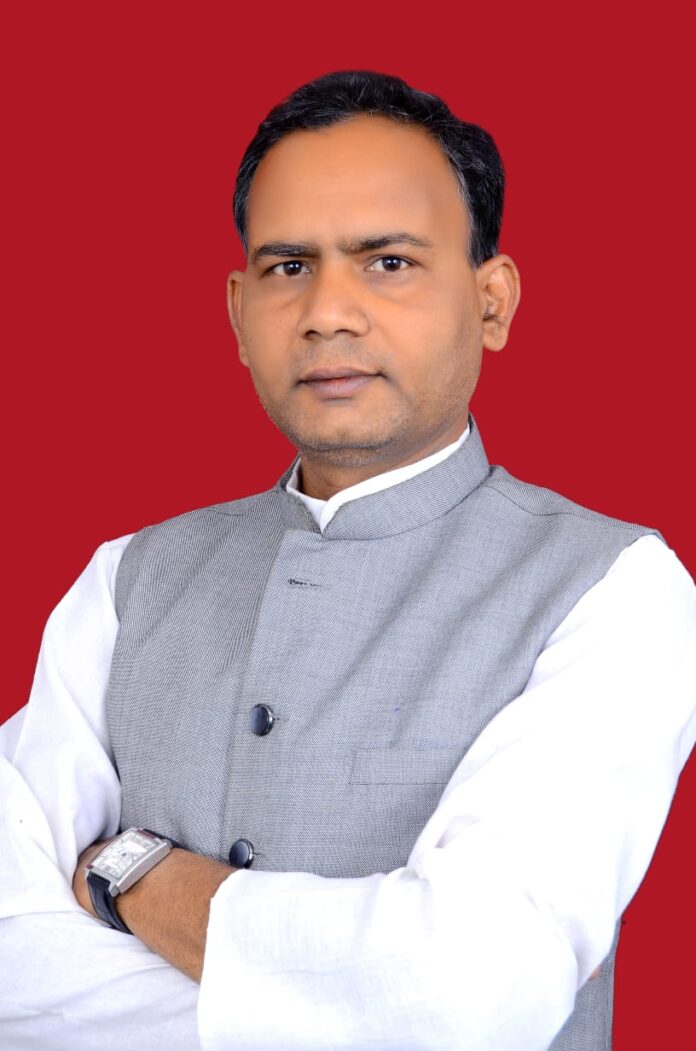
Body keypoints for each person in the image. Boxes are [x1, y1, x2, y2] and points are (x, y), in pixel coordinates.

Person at [0, 69, 694, 1051]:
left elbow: (466, 993)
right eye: (288, 266)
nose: (328, 310)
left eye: (389, 262)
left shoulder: (618, 589)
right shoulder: (128, 579)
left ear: (491, 302)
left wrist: (132, 872)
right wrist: (340, 1003)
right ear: (239, 313)